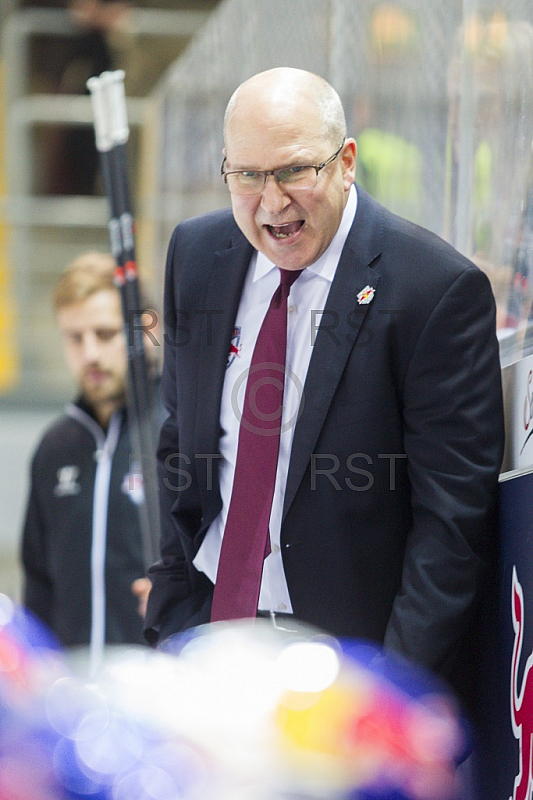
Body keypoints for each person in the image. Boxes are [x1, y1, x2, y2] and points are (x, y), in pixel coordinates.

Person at [144, 67, 505, 714]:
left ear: (346, 162)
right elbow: (182, 450)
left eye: (292, 172)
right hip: (212, 661)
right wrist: (176, 624)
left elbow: (449, 527)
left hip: (351, 681)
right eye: (247, 176)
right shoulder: (198, 255)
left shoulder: (431, 290)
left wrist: (391, 696)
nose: (271, 202)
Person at [21, 252, 155, 652]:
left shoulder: (181, 434)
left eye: (105, 333)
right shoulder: (54, 448)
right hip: (71, 693)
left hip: (159, 692)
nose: (90, 354)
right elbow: (38, 584)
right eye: (75, 338)